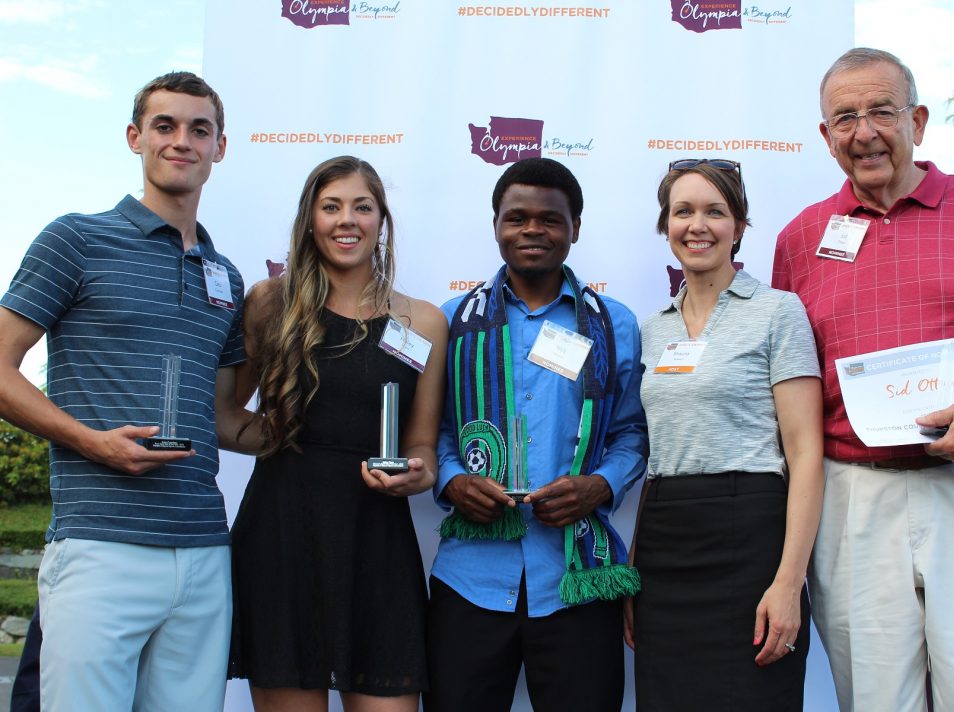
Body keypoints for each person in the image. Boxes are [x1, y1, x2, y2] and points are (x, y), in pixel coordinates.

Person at [773, 47, 954, 712]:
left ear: (920, 120)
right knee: (874, 699)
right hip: (854, 498)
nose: (865, 131)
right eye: (844, 118)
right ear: (826, 138)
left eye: (883, 111)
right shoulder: (799, 240)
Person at [0, 71, 249, 711]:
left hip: (202, 551)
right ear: (136, 137)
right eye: (165, 126)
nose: (182, 141)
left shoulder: (226, 275)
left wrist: (337, 433)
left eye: (200, 129)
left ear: (220, 147)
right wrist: (92, 443)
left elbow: (223, 418)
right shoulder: (75, 239)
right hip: (100, 545)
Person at [426, 157, 647, 712]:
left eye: (550, 219)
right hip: (470, 581)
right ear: (495, 225)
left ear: (575, 228)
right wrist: (453, 481)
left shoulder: (613, 324)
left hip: (576, 578)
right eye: (516, 217)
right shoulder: (452, 323)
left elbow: (632, 434)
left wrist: (599, 486)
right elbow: (436, 431)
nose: (532, 230)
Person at [227, 155, 447, 712]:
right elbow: (223, 416)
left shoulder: (422, 322)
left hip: (376, 539)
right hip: (282, 532)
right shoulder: (269, 302)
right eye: (331, 207)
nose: (346, 220)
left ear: (381, 220)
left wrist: (418, 473)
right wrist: (284, 439)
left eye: (362, 207)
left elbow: (421, 443)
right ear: (310, 219)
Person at [625, 159, 823, 711]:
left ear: (740, 225)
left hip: (749, 536)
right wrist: (638, 564)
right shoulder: (652, 328)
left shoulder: (779, 313)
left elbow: (806, 454)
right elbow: (659, 453)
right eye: (682, 211)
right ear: (665, 226)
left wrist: (789, 582)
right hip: (666, 546)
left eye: (716, 211)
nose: (698, 225)